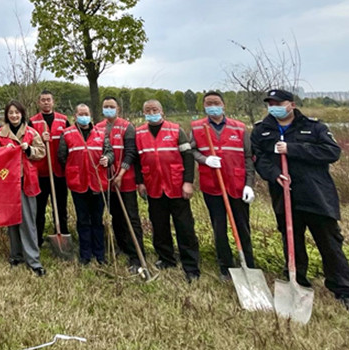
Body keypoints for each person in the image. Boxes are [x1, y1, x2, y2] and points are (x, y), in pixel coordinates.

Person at [251, 89, 349, 315]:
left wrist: (293, 149)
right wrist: (274, 175)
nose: (274, 107)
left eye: (278, 103)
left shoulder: (314, 127)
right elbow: (259, 158)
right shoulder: (262, 130)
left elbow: (332, 152)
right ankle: (298, 280)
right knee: (292, 241)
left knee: (329, 242)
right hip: (284, 194)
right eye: (270, 103)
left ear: (291, 104)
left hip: (315, 194)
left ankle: (344, 291)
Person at [190, 91, 256, 281]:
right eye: (208, 103)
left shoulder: (240, 128)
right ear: (204, 106)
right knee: (219, 228)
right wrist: (205, 159)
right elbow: (192, 150)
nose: (212, 106)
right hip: (212, 185)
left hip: (237, 185)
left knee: (243, 227)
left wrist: (249, 185)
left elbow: (248, 158)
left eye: (216, 102)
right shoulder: (197, 127)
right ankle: (225, 267)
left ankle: (249, 265)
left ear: (223, 105)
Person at [136, 99, 201, 282]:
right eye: (147, 110)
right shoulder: (139, 133)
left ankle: (191, 266)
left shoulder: (176, 130)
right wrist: (139, 183)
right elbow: (137, 161)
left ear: (162, 112)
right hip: (153, 186)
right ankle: (166, 259)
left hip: (176, 186)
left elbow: (188, 157)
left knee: (184, 227)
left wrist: (188, 182)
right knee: (159, 225)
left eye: (154, 109)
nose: (151, 112)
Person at [0, 100, 47, 276]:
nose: (14, 116)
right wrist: (2, 151)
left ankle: (33, 260)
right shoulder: (0, 134)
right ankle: (16, 255)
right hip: (7, 183)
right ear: (6, 115)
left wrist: (29, 149)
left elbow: (41, 151)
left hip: (26, 181)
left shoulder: (30, 133)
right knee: (12, 220)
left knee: (28, 222)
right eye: (11, 113)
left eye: (17, 113)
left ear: (22, 114)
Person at [58, 103, 113, 265]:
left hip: (98, 183)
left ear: (90, 115)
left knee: (97, 220)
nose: (83, 116)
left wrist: (107, 159)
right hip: (78, 183)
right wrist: (73, 169)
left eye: (86, 113)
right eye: (80, 114)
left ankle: (100, 254)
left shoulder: (101, 133)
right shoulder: (67, 133)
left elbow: (110, 152)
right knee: (83, 220)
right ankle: (85, 254)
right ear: (75, 116)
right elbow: (62, 157)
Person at [98, 96, 146, 273]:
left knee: (131, 218)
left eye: (112, 106)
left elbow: (131, 153)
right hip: (107, 181)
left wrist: (121, 173)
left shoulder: (127, 127)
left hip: (125, 180)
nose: (108, 109)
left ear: (118, 109)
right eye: (106, 106)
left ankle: (137, 254)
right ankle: (123, 246)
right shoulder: (98, 127)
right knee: (116, 216)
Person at [29, 90, 71, 249]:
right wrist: (40, 139)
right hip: (40, 172)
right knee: (39, 209)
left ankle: (62, 234)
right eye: (43, 100)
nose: (46, 102)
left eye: (49, 100)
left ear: (53, 102)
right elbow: (28, 145)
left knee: (60, 206)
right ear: (39, 103)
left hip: (59, 172)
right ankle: (37, 240)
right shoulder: (33, 122)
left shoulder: (64, 120)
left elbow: (69, 142)